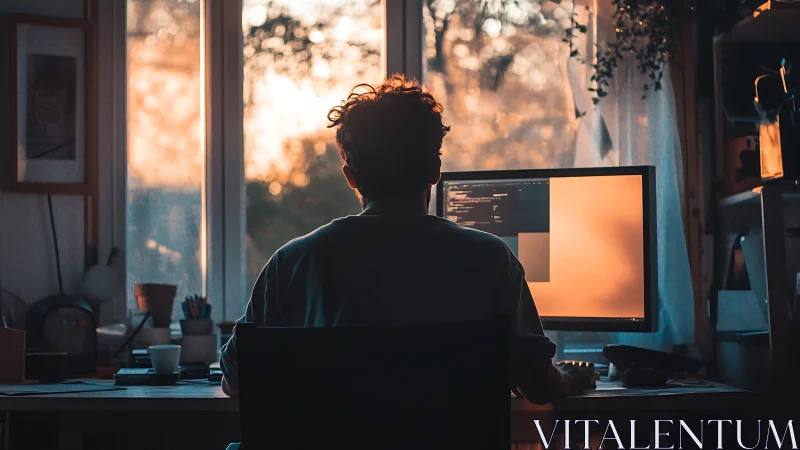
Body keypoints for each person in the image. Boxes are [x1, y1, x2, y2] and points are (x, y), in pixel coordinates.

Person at [220, 74, 595, 402]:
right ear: (435, 170)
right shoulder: (490, 259)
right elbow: (537, 385)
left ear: (350, 176)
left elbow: (236, 381)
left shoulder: (293, 263)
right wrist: (573, 378)